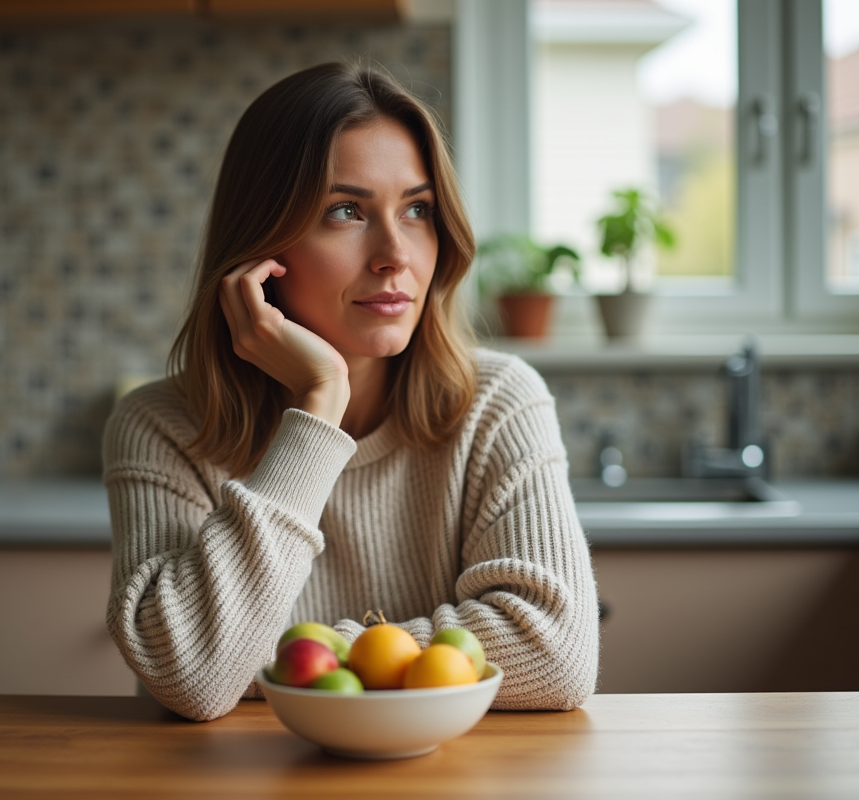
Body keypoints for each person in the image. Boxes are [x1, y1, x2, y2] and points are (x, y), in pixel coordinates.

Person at [103, 62, 599, 722]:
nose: (395, 253)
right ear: (260, 247)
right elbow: (192, 673)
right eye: (345, 211)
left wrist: (307, 654)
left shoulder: (499, 402)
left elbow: (557, 657)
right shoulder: (159, 426)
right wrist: (320, 400)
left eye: (417, 210)